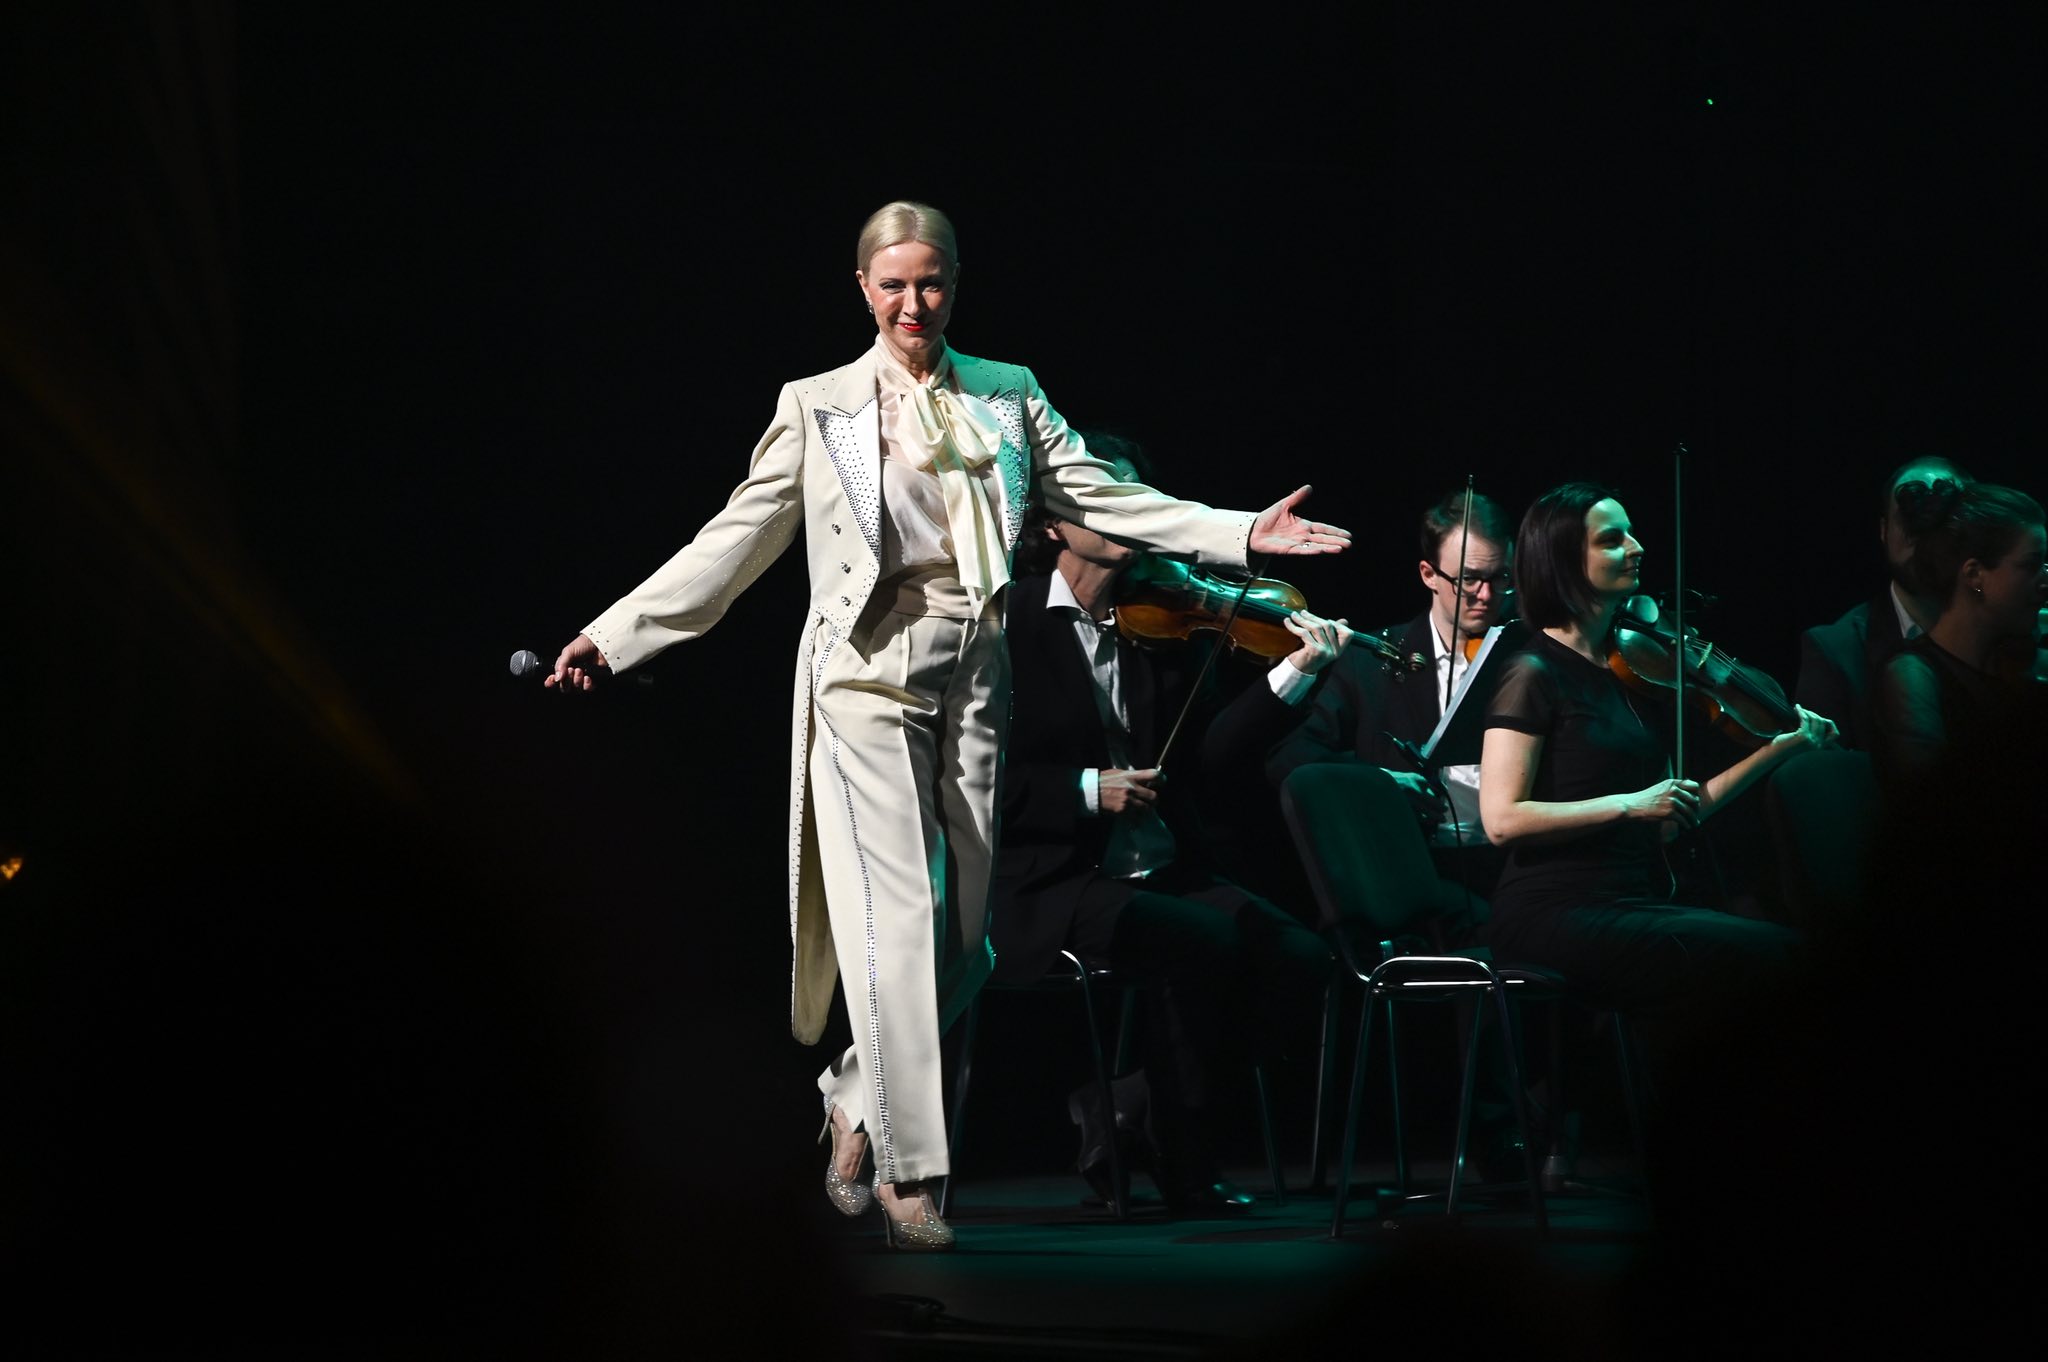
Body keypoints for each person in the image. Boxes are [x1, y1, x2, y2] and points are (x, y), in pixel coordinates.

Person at [543, 201, 1350, 1250]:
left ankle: (852, 1094)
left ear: (955, 283)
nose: (912, 303)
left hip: (976, 672)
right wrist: (617, 635)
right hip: (863, 676)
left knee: (963, 940)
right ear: (863, 288)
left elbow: (1100, 494)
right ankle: (910, 1174)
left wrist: (1238, 531)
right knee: (898, 916)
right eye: (893, 285)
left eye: (930, 283)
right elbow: (733, 541)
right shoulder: (818, 404)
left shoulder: (1007, 393)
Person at [986, 432, 1340, 1215]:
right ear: (1049, 523)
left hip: (1150, 869)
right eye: (1101, 499)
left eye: (1134, 500)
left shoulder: (1159, 623)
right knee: (1198, 940)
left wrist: (1295, 673)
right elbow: (968, 778)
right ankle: (1187, 1165)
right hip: (1044, 878)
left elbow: (1210, 760)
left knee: (1302, 958)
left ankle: (1129, 1102)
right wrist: (1085, 790)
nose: (1126, 515)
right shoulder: (1004, 626)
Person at [1477, 482, 1835, 1041]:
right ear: (1564, 560)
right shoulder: (1532, 672)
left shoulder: (1633, 671)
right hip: (1553, 911)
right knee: (1771, 959)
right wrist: (1629, 805)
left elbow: (1670, 817)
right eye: (1612, 540)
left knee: (1794, 949)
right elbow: (1501, 820)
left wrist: (1779, 749)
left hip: (1634, 900)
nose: (1637, 547)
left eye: (1631, 534)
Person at [1264, 489, 1517, 901]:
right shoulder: (1368, 661)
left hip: (1517, 866)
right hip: (1415, 871)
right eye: (1469, 579)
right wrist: (1380, 783)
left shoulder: (1525, 656)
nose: (1487, 596)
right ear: (1428, 574)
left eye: (1500, 578)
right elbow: (1291, 758)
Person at [1872, 480, 2046, 785]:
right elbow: (1931, 799)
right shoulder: (1914, 676)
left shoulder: (2024, 665)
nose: (2044, 582)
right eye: (2031, 566)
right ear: (1974, 574)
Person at [1795, 456, 1974, 751]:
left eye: (1942, 520)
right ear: (1883, 530)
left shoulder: (2007, 632)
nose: (1924, 538)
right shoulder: (1838, 650)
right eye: (1910, 517)